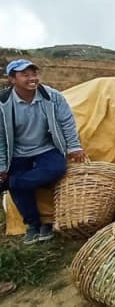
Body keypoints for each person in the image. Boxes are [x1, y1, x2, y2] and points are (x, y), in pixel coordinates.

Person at [0, 59, 86, 245]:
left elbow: (67, 121)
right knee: (19, 181)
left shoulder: (51, 96)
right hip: (18, 153)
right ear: (12, 79)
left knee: (55, 169)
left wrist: (74, 146)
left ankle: (13, 183)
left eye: (34, 74)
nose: (32, 78)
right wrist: (1, 165)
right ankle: (34, 225)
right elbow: (0, 137)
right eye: (25, 75)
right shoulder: (3, 103)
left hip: (46, 148)